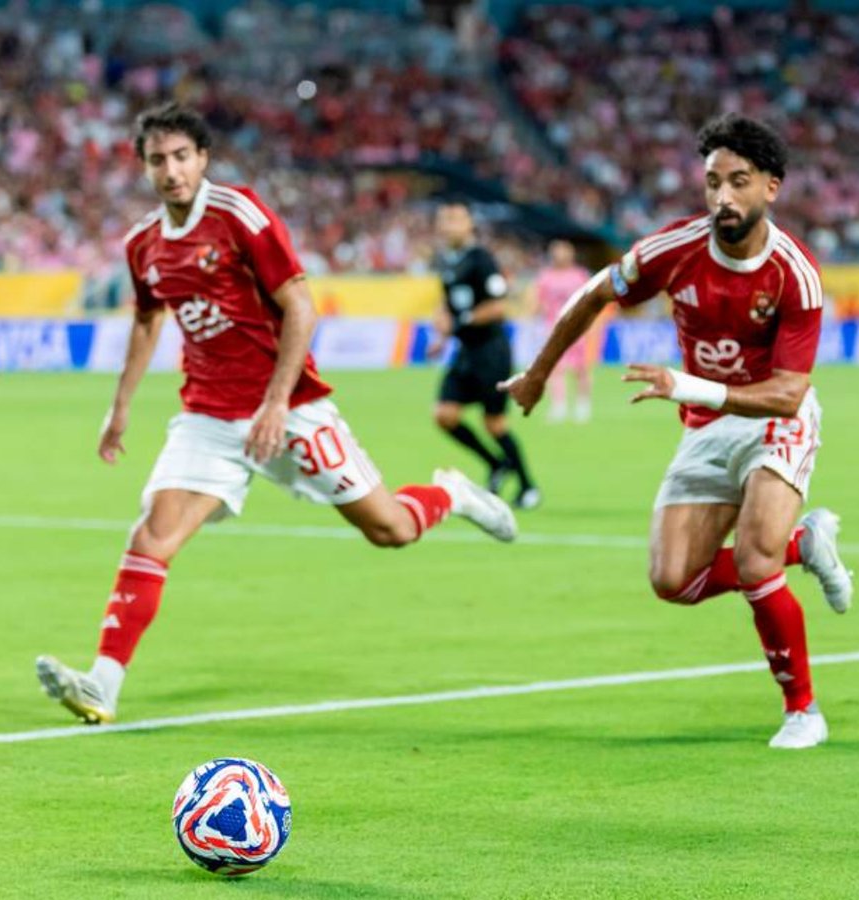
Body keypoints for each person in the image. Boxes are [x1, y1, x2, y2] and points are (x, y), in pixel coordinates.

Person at [35, 103, 517, 725]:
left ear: (202, 158)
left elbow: (301, 306)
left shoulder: (240, 214)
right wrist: (119, 407)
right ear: (144, 167)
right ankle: (103, 684)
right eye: (158, 160)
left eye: (181, 157)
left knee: (389, 529)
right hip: (209, 417)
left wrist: (274, 402)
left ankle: (452, 493)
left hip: (290, 409)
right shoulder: (142, 244)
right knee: (152, 535)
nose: (171, 171)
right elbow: (148, 320)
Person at [502, 114, 853, 749]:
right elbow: (593, 295)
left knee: (755, 563)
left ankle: (802, 710)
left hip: (776, 422)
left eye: (738, 181)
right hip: (706, 429)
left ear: (770, 187)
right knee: (673, 581)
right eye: (713, 182)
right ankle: (803, 544)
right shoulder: (674, 249)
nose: (723, 196)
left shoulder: (793, 271)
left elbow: (789, 393)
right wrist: (537, 374)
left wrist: (688, 387)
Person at [430, 201, 539, 509]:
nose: (448, 224)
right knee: (444, 415)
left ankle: (528, 487)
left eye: (455, 218)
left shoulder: (482, 259)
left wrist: (460, 322)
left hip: (491, 352)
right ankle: (496, 464)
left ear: (469, 225)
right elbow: (447, 303)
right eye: (444, 219)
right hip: (465, 351)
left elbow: (498, 307)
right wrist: (441, 335)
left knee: (494, 423)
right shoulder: (447, 261)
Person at [534, 239, 596, 423]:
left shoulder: (580, 275)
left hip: (577, 328)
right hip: (554, 329)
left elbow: (590, 300)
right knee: (555, 368)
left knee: (581, 368)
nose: (560, 255)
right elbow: (539, 302)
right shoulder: (545, 276)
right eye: (557, 251)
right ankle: (558, 406)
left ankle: (583, 406)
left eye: (564, 251)